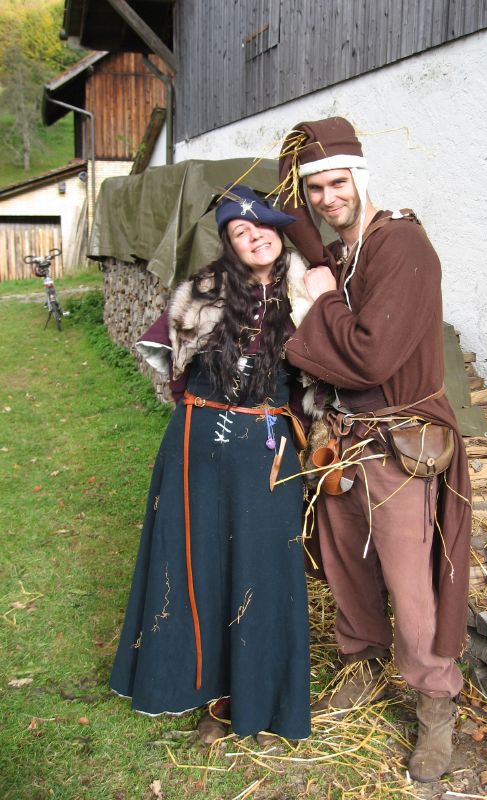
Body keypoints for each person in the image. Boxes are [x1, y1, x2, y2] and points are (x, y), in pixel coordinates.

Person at [277, 117, 472, 782]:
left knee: (410, 589)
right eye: (316, 188)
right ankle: (362, 664)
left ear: (361, 179)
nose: (328, 198)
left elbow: (369, 356)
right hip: (343, 440)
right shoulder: (346, 251)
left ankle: (435, 708)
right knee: (346, 569)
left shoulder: (402, 246)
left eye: (338, 183)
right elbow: (338, 344)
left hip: (399, 444)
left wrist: (324, 301)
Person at [109, 185, 312, 746]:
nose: (255, 237)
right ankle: (215, 698)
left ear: (280, 230)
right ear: (228, 242)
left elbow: (328, 368)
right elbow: (163, 360)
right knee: (201, 567)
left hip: (268, 447)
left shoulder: (308, 290)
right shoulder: (203, 288)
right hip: (197, 444)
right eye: (240, 233)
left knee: (265, 572)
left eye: (263, 227)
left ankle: (268, 703)